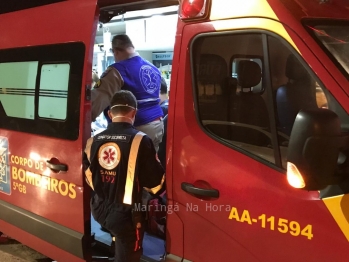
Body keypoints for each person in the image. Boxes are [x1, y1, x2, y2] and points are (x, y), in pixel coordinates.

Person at [84, 90, 165, 262]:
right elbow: (156, 185)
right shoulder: (141, 141)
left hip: (98, 209)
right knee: (129, 255)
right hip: (126, 216)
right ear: (134, 113)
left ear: (110, 113)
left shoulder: (93, 141)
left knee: (118, 238)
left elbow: (88, 175)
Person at [91, 34, 164, 152]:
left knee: (129, 167)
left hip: (134, 128)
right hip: (157, 125)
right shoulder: (153, 68)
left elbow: (97, 102)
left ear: (115, 51)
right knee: (149, 165)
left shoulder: (117, 70)